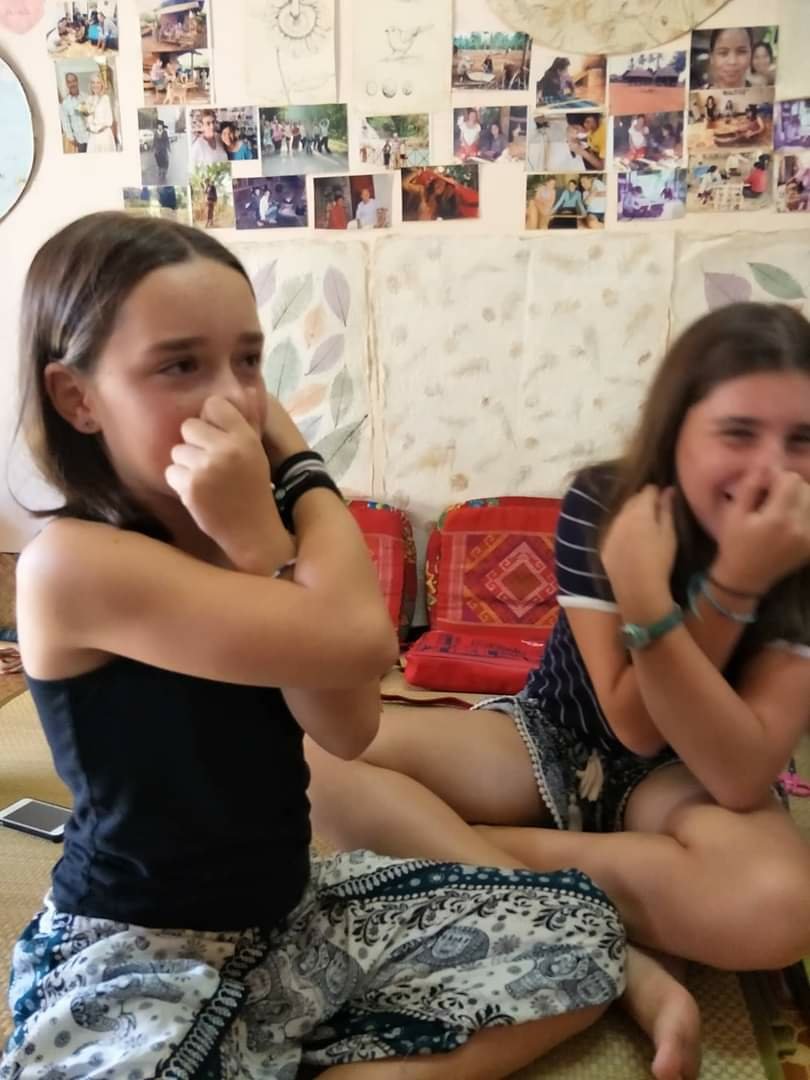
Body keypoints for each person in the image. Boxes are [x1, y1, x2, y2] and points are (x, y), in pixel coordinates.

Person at [0, 211, 625, 1080]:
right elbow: (359, 638)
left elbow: (348, 725)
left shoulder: (247, 533)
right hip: (146, 947)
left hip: (291, 920)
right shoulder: (72, 564)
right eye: (180, 365)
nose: (231, 400)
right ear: (78, 398)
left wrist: (266, 536)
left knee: (582, 931)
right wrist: (294, 473)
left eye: (248, 361)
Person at [306, 300, 810, 1080]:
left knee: (778, 908)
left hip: (691, 780)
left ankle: (460, 852)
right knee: (314, 753)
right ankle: (623, 957)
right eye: (738, 433)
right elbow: (622, 716)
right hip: (550, 736)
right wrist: (674, 587)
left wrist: (723, 587)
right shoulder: (608, 501)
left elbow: (727, 769)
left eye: (801, 440)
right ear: (679, 429)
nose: (769, 470)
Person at [85, 72, 116, 153]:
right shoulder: (88, 99)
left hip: (104, 135)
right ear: (90, 84)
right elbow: (87, 120)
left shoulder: (106, 98)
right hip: (93, 137)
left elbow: (109, 121)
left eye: (98, 82)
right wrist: (91, 127)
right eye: (93, 82)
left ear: (102, 84)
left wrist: (97, 129)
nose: (95, 85)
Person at [59, 71, 89, 153]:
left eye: (74, 81)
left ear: (77, 81)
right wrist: (72, 139)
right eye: (69, 82)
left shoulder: (86, 97)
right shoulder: (65, 103)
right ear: (67, 84)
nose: (72, 84)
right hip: (79, 141)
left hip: (91, 137)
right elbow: (65, 123)